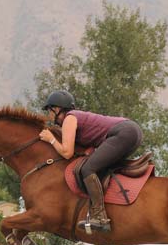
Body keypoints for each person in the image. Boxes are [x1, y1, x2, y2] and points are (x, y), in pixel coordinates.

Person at [38, 90, 143, 233]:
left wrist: (50, 139)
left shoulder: (70, 118)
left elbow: (67, 153)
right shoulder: (75, 118)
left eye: (49, 110)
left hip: (124, 132)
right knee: (100, 168)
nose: (49, 115)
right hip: (132, 131)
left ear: (57, 109)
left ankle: (99, 217)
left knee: (87, 169)